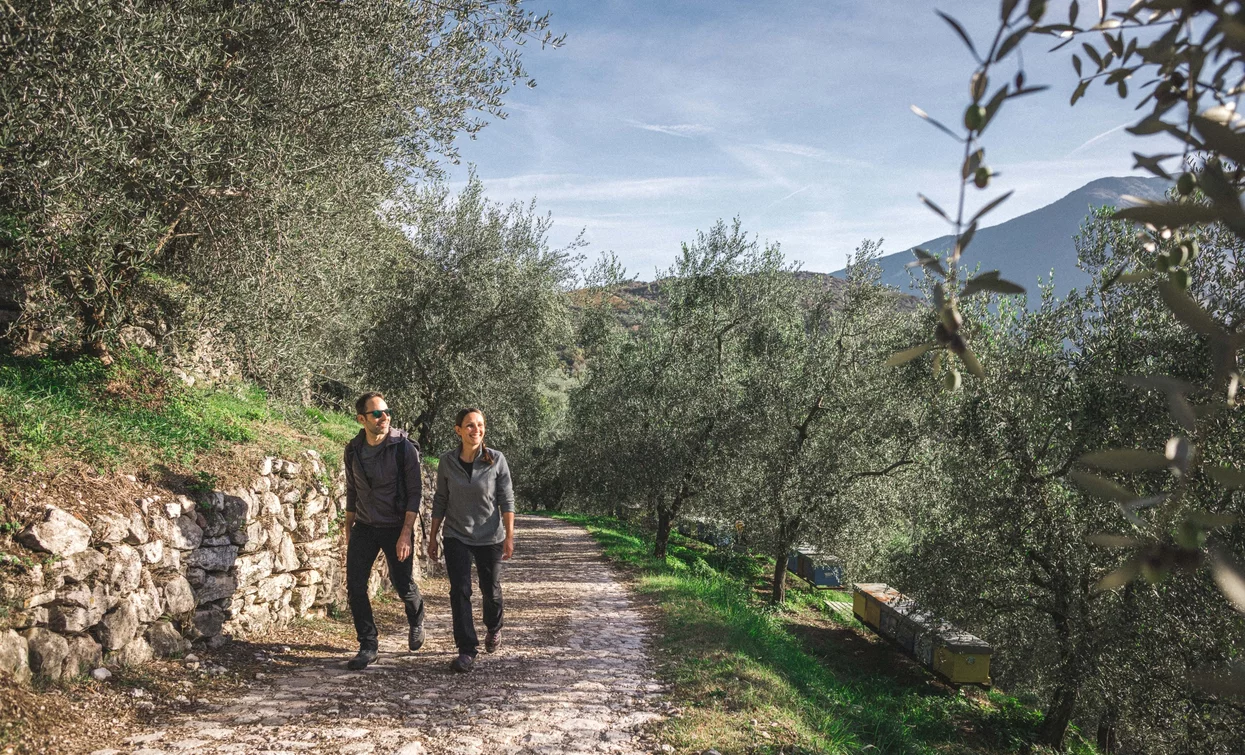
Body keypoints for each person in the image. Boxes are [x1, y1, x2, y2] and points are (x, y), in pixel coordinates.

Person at [342, 391, 426, 670]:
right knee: (355, 586)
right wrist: (348, 527)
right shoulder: (353, 449)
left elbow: (414, 494)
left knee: (403, 585)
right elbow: (352, 490)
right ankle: (368, 644)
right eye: (377, 413)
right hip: (365, 526)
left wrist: (406, 533)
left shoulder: (404, 448)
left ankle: (416, 618)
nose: (384, 417)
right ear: (362, 419)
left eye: (386, 411)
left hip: (395, 527)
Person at [428, 407, 515, 673]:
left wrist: (509, 536)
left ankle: (494, 627)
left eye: (479, 425)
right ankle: (466, 649)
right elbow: (441, 499)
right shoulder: (447, 461)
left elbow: (506, 499)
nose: (475, 429)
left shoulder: (496, 459)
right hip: (456, 535)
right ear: (458, 430)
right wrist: (432, 536)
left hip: (490, 536)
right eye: (469, 425)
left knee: (491, 590)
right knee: (460, 590)